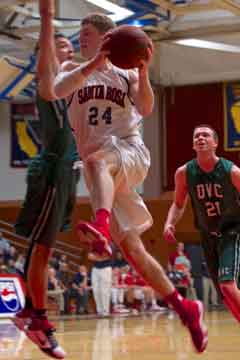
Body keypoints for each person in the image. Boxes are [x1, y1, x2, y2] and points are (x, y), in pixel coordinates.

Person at [51, 12, 208, 352]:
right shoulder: (73, 72)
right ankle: (185, 308)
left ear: (108, 39)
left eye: (87, 33)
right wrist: (92, 64)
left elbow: (147, 107)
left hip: (128, 152)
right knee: (133, 250)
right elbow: (56, 89)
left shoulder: (126, 75)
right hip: (101, 173)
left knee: (94, 160)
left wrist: (143, 71)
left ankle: (101, 228)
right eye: (80, 34)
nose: (81, 39)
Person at [12, 1, 80, 358]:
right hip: (52, 171)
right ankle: (37, 319)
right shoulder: (48, 84)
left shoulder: (74, 92)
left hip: (69, 173)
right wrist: (48, 19)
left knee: (46, 247)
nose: (68, 48)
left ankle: (30, 313)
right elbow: (47, 64)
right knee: (43, 248)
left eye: (70, 44)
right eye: (61, 45)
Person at [163, 124, 240, 323]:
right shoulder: (184, 173)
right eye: (197, 136)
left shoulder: (231, 171)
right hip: (207, 236)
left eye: (205, 135)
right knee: (225, 297)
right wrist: (169, 223)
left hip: (232, 232)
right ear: (193, 144)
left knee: (227, 285)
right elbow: (178, 204)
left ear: (215, 143)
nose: (200, 138)